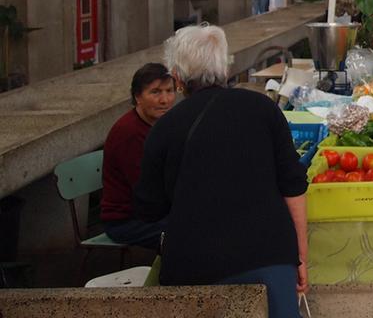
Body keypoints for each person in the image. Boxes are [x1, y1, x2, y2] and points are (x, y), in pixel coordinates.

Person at [135, 25, 308, 318]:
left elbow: (148, 208)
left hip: (196, 263)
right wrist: (300, 257)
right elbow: (293, 186)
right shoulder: (262, 109)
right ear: (224, 67)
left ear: (177, 78)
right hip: (270, 256)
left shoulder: (164, 129)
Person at [101, 62, 175, 248]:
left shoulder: (161, 125)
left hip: (150, 212)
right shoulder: (129, 133)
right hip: (126, 222)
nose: (165, 100)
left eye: (169, 91)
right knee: (193, 231)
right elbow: (147, 189)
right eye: (155, 92)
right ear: (137, 97)